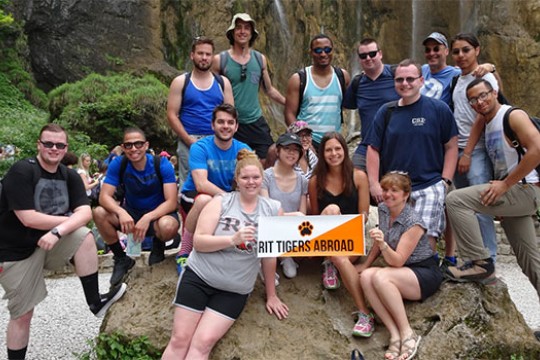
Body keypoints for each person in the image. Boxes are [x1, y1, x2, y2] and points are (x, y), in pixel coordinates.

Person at [0, 124, 127, 360]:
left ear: (66, 148)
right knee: (23, 314)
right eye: (48, 143)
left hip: (50, 242)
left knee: (84, 236)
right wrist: (66, 221)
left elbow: (85, 214)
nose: (54, 148)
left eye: (59, 145)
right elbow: (27, 218)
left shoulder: (69, 176)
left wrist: (58, 231)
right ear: (39, 144)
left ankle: (94, 302)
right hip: (15, 250)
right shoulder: (22, 171)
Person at [162, 149, 289, 359]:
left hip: (234, 290)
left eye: (256, 177)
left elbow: (269, 254)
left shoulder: (273, 209)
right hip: (199, 278)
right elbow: (199, 241)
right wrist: (232, 239)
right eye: (245, 177)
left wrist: (271, 295)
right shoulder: (222, 202)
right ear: (237, 180)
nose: (251, 182)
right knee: (180, 340)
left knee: (202, 344)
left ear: (262, 179)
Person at [445, 78, 540, 299]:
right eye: (473, 100)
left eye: (483, 95)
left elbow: (537, 150)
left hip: (525, 190)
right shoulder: (488, 122)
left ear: (494, 92)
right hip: (514, 195)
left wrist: (505, 186)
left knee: (455, 200)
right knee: (530, 263)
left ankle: (479, 262)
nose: (479, 102)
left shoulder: (513, 116)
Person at [365, 59, 458, 255]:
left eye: (410, 79)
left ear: (421, 80)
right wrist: (373, 183)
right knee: (391, 237)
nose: (405, 83)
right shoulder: (386, 112)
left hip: (429, 184)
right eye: (400, 79)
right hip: (393, 188)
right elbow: (373, 149)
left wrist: (445, 181)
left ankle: (422, 277)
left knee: (425, 239)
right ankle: (399, 279)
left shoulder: (439, 109)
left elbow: (451, 146)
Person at [359, 172, 442, 360]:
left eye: (394, 190)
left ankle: (408, 333)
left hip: (423, 272)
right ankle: (394, 334)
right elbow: (379, 239)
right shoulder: (383, 209)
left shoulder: (414, 222)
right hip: (401, 270)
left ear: (405, 195)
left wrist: (382, 244)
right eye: (385, 190)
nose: (388, 194)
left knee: (381, 277)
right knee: (366, 277)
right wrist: (365, 265)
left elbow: (397, 260)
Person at [93, 127, 179, 287]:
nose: (134, 149)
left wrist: (148, 217)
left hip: (157, 217)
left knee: (168, 226)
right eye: (129, 145)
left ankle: (158, 246)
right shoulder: (119, 164)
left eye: (138, 144)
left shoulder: (161, 164)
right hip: (131, 215)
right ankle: (120, 257)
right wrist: (120, 211)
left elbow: (172, 201)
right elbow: (103, 197)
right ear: (123, 147)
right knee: (99, 213)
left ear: (146, 145)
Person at [307, 132, 371, 337]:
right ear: (322, 154)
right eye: (328, 150)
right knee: (332, 210)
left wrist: (345, 229)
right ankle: (328, 261)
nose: (334, 154)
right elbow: (316, 217)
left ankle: (364, 315)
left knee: (340, 257)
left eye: (337, 148)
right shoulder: (315, 181)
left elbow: (364, 215)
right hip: (326, 239)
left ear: (344, 150)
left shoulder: (359, 176)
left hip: (351, 237)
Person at [175, 104, 250, 274]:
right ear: (212, 125)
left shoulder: (243, 149)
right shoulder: (200, 147)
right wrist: (230, 199)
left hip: (225, 196)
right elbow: (201, 184)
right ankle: (184, 251)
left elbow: (250, 178)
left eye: (230, 122)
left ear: (236, 126)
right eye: (221, 122)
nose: (225, 126)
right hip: (195, 196)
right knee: (205, 200)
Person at [450, 33, 500, 262]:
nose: (461, 55)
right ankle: (472, 256)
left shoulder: (485, 77)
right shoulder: (456, 79)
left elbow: (483, 114)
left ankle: (488, 257)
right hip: (457, 150)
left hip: (476, 150)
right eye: (456, 51)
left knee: (481, 205)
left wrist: (468, 152)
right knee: (462, 207)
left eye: (466, 50)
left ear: (477, 50)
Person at [212, 13, 285, 167]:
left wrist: (290, 104)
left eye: (246, 28)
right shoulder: (220, 60)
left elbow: (269, 90)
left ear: (252, 33)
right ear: (232, 32)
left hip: (255, 120)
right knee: (237, 164)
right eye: (238, 28)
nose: (242, 31)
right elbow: (211, 92)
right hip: (233, 123)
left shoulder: (259, 59)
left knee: (270, 157)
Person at [167, 36, 234, 190]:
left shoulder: (223, 83)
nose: (204, 58)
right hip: (189, 139)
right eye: (200, 53)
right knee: (189, 185)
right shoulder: (181, 82)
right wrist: (189, 141)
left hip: (217, 140)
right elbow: (172, 115)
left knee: (217, 182)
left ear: (212, 57)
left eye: (208, 54)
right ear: (192, 55)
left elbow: (231, 115)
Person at [343, 38, 400, 173]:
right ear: (359, 59)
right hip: (367, 145)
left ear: (380, 54)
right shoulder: (358, 83)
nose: (368, 58)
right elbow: (346, 104)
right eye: (363, 56)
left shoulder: (396, 75)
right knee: (355, 177)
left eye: (372, 54)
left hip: (395, 145)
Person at [284, 34, 350, 149]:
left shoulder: (343, 76)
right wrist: (303, 140)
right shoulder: (299, 79)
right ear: (311, 52)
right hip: (308, 142)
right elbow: (289, 113)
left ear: (333, 51)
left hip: (333, 141)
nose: (323, 54)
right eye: (318, 50)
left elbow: (348, 104)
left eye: (327, 50)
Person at [261, 132, 308, 278]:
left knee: (291, 273)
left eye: (295, 150)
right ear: (278, 150)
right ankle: (264, 263)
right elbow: (266, 211)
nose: (291, 153)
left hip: (291, 231)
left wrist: (296, 217)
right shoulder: (265, 176)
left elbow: (303, 214)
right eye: (287, 148)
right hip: (268, 229)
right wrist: (293, 215)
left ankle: (284, 256)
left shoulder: (302, 180)